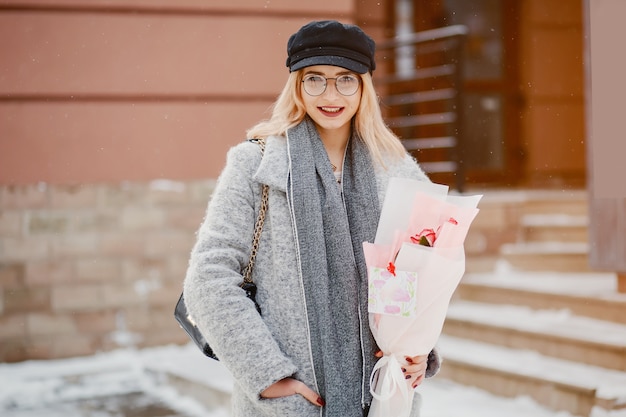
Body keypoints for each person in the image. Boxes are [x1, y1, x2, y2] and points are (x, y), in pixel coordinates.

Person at [183, 20, 441, 417]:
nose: (330, 94)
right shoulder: (255, 164)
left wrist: (415, 348)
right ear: (297, 86)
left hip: (381, 398)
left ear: (364, 87)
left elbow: (416, 273)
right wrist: (268, 375)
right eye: (315, 79)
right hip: (291, 403)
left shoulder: (395, 170)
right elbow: (210, 277)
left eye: (345, 80)